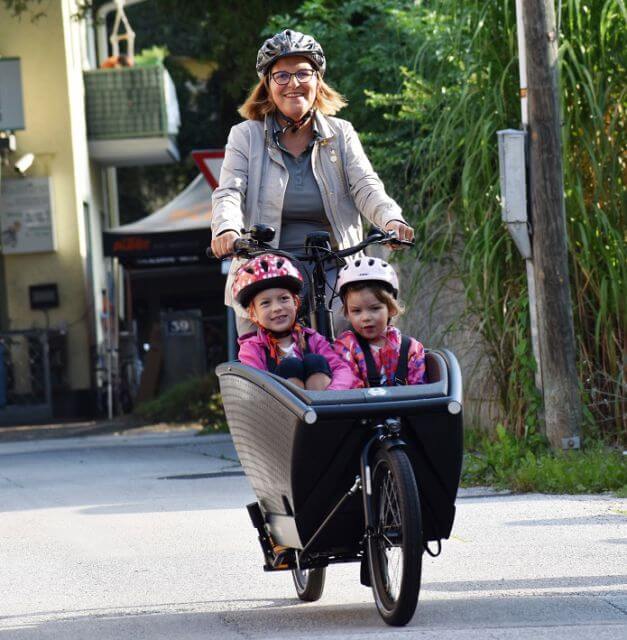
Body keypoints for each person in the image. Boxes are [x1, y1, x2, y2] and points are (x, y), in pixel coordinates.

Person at [211, 29, 415, 335]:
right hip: (267, 269)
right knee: (262, 346)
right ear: (267, 85)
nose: (293, 84)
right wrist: (226, 230)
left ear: (318, 80)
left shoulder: (341, 133)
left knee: (356, 330)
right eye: (281, 76)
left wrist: (391, 220)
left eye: (303, 73)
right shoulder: (245, 136)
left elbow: (366, 186)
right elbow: (229, 191)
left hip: (332, 266)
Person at [233, 253, 357, 391]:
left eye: (284, 299)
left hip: (320, 400)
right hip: (277, 402)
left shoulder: (312, 339)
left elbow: (341, 369)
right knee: (289, 366)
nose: (277, 308)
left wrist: (333, 392)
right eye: (265, 303)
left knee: (315, 361)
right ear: (253, 314)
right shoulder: (252, 348)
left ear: (296, 303)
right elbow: (254, 386)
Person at [333, 257, 427, 387]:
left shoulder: (411, 349)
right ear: (347, 314)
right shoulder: (346, 347)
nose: (366, 317)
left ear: (391, 309)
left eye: (375, 308)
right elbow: (345, 385)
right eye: (356, 311)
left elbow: (421, 391)